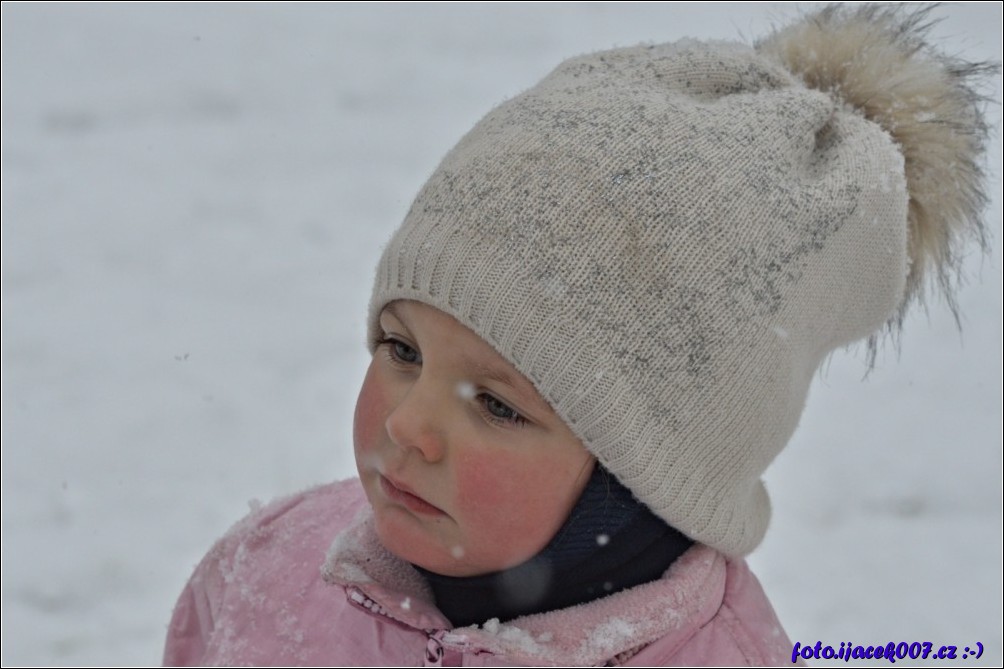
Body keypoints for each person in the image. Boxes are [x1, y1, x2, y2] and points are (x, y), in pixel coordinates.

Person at [163, 5, 993, 666]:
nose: (407, 425)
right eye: (403, 349)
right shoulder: (269, 572)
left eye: (495, 404)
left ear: (642, 480)